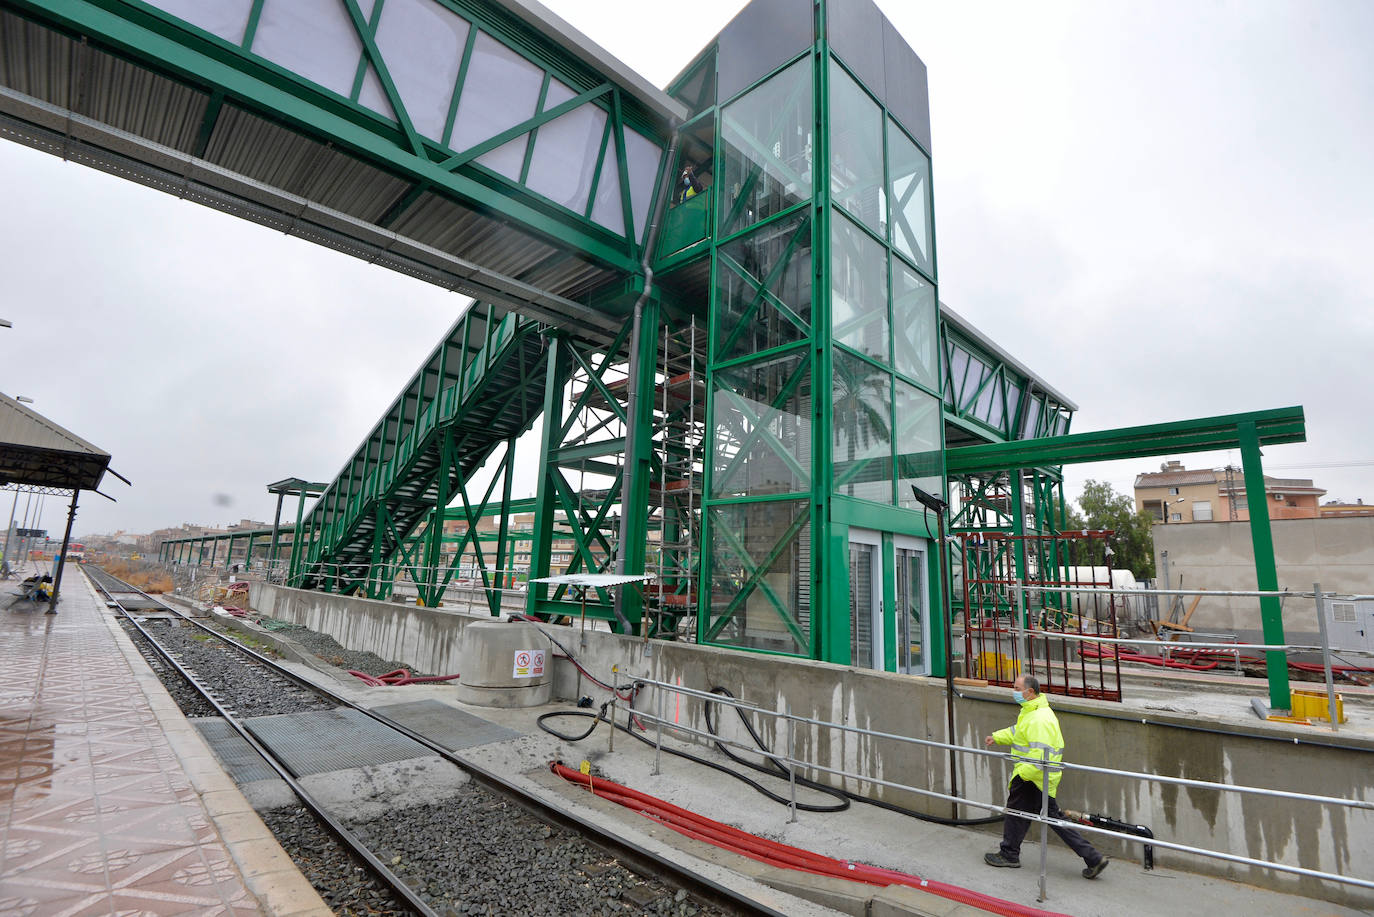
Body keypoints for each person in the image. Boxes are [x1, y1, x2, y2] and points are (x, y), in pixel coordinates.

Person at [983, 674, 1109, 879]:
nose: (1013, 692)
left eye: (1016, 688)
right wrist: (997, 737)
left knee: (1016, 815)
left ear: (1029, 692)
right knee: (1047, 818)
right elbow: (1019, 733)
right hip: (1038, 778)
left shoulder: (1039, 718)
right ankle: (1093, 858)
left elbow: (1041, 754)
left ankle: (1009, 855)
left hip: (1032, 777)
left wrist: (1021, 777)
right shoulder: (1033, 712)